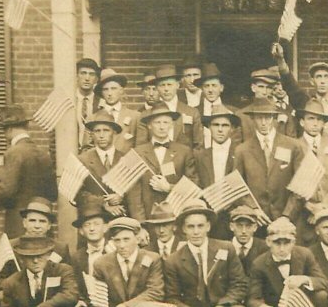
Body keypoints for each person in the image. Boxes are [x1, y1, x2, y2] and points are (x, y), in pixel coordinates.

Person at [164, 201, 252, 307]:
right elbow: (171, 297)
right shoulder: (173, 260)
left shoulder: (226, 248)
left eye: (200, 226)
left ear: (208, 226)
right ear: (183, 229)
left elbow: (240, 283)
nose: (196, 232)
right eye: (190, 227)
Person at [234, 97, 304, 228]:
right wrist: (253, 209)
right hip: (257, 221)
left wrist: (287, 216)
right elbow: (237, 187)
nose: (264, 122)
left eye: (268, 117)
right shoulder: (242, 150)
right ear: (253, 119)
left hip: (287, 222)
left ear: (274, 118)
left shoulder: (292, 146)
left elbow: (300, 186)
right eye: (259, 118)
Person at [0, 197, 73, 304]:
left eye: (42, 221)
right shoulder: (10, 247)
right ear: (24, 223)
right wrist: (16, 288)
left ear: (49, 226)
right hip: (17, 301)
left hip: (49, 302)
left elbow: (68, 279)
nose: (37, 226)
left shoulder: (60, 249)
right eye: (32, 221)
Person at [0, 106, 57, 238]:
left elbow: (8, 190)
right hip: (42, 220)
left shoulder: (14, 152)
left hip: (19, 221)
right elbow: (52, 193)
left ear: (9, 130)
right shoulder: (44, 154)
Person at [128, 103, 199, 222]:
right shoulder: (138, 153)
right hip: (148, 216)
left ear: (171, 125)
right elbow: (134, 193)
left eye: (165, 122)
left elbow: (193, 184)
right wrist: (140, 223)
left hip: (176, 215)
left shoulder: (184, 151)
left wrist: (169, 188)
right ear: (149, 126)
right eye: (157, 122)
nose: (162, 127)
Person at [292, 99, 328, 246]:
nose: (315, 123)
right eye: (311, 119)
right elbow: (288, 180)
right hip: (302, 214)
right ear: (302, 122)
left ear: (324, 123)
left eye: (319, 119)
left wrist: (323, 207)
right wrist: (309, 206)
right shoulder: (293, 146)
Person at [273, 43, 328, 144]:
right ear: (312, 81)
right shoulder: (305, 102)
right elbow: (289, 84)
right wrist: (281, 60)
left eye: (326, 76)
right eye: (318, 77)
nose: (322, 81)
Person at [194, 104, 240, 239]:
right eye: (216, 125)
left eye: (225, 125)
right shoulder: (200, 155)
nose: (220, 130)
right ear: (209, 127)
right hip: (210, 216)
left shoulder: (240, 152)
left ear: (232, 128)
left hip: (235, 215)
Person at [137, 64, 204, 150]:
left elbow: (198, 145)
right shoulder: (146, 115)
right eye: (162, 85)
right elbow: (140, 147)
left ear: (177, 85)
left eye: (169, 84)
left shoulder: (191, 112)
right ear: (157, 88)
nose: (166, 89)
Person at [76, 109, 127, 216]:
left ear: (114, 133)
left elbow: (135, 189)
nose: (101, 135)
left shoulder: (125, 159)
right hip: (93, 218)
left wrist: (121, 196)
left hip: (121, 217)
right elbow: (78, 193)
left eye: (106, 130)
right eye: (97, 131)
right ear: (92, 135)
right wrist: (102, 203)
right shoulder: (82, 160)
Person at [69, 197, 113, 307]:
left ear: (105, 227)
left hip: (113, 305)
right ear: (81, 231)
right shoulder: (77, 257)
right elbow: (75, 286)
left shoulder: (114, 250)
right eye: (87, 225)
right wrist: (79, 299)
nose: (92, 229)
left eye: (96, 224)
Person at [194, 63, 243, 146]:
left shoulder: (234, 112)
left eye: (214, 85)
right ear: (202, 89)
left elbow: (237, 140)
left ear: (221, 88)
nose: (210, 90)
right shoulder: (195, 112)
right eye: (206, 86)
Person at [93, 68, 139, 154]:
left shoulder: (135, 117)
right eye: (105, 89)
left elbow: (140, 147)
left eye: (113, 88)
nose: (109, 93)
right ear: (101, 93)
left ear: (121, 90)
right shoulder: (93, 118)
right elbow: (87, 148)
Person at [229, 205, 269, 273]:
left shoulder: (265, 248)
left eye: (248, 226)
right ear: (231, 226)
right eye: (239, 226)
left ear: (255, 227)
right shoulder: (224, 248)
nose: (244, 231)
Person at [75, 58, 101, 149]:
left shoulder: (102, 103)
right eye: (83, 73)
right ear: (76, 76)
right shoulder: (68, 101)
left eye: (91, 74)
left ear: (96, 79)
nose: (87, 78)